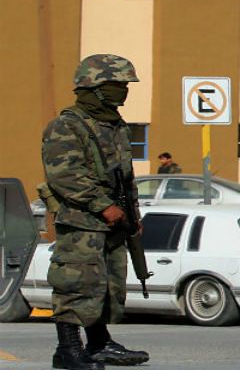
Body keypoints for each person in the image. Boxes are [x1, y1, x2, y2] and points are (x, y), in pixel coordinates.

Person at [41, 54, 150, 370]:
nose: (124, 91)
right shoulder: (66, 126)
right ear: (95, 87)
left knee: (106, 285)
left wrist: (133, 214)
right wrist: (102, 206)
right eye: (118, 84)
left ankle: (100, 343)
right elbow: (64, 174)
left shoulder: (115, 126)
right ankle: (68, 349)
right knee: (76, 284)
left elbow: (124, 177)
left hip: (115, 221)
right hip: (82, 223)